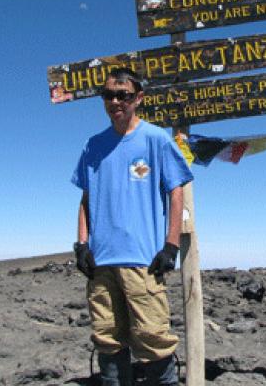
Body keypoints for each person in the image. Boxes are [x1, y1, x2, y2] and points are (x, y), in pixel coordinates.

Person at [71, 67, 193, 386]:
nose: (115, 102)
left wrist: (170, 246)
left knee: (153, 338)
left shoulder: (155, 139)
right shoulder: (93, 145)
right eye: (108, 95)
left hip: (143, 261)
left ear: (138, 98)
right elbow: (86, 198)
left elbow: (176, 191)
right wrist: (81, 244)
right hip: (101, 263)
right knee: (107, 338)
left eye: (122, 95)